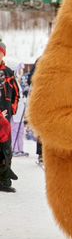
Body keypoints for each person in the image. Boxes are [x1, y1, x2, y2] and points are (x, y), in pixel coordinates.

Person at [0, 40, 20, 192]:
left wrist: (12, 109)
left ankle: (4, 178)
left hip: (5, 118)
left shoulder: (9, 73)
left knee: (6, 148)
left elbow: (16, 94)